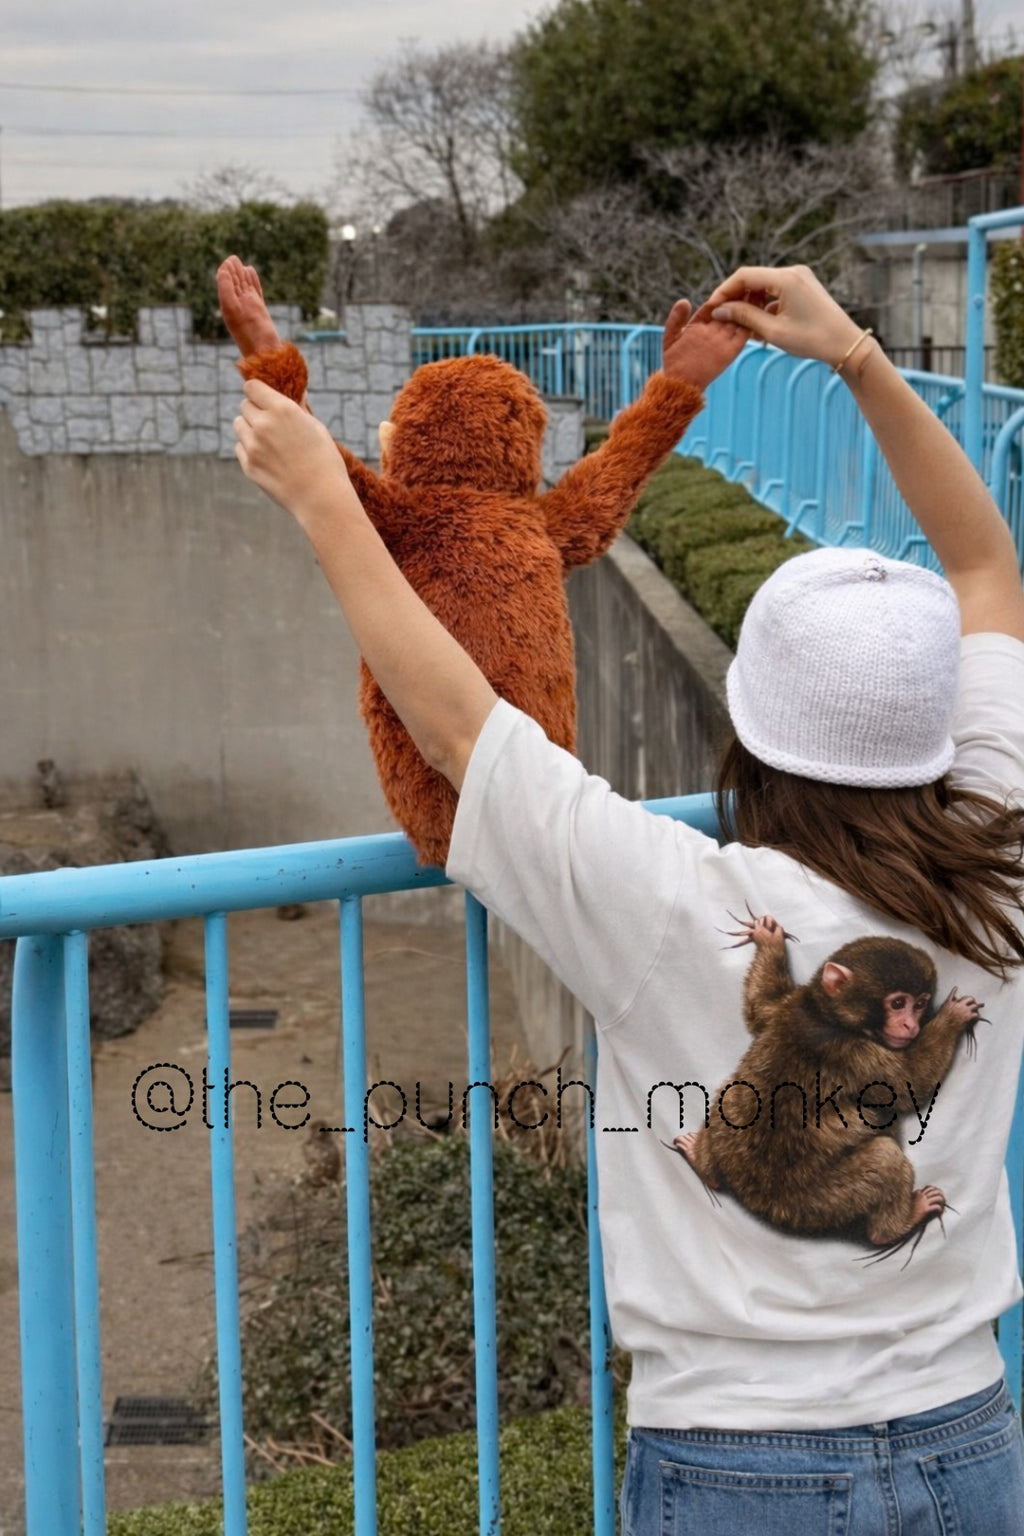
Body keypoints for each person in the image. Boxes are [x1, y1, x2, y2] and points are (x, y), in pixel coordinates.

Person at [232, 265, 1024, 1535]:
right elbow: (989, 566)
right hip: (967, 1435)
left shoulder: (667, 901)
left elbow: (455, 724)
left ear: (747, 728)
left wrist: (330, 500)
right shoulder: (998, 846)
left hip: (737, 1464)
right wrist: (862, 363)